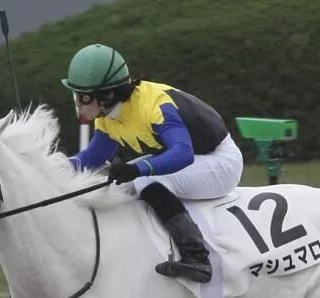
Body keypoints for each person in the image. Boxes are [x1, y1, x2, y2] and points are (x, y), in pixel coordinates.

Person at [62, 43, 243, 284]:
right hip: (194, 159)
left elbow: (182, 153)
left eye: (82, 97)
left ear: (107, 95)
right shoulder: (108, 117)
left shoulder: (154, 105)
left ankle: (197, 258)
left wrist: (137, 169)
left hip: (220, 161)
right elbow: (92, 158)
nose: (77, 102)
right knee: (115, 184)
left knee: (146, 179)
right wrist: (53, 169)